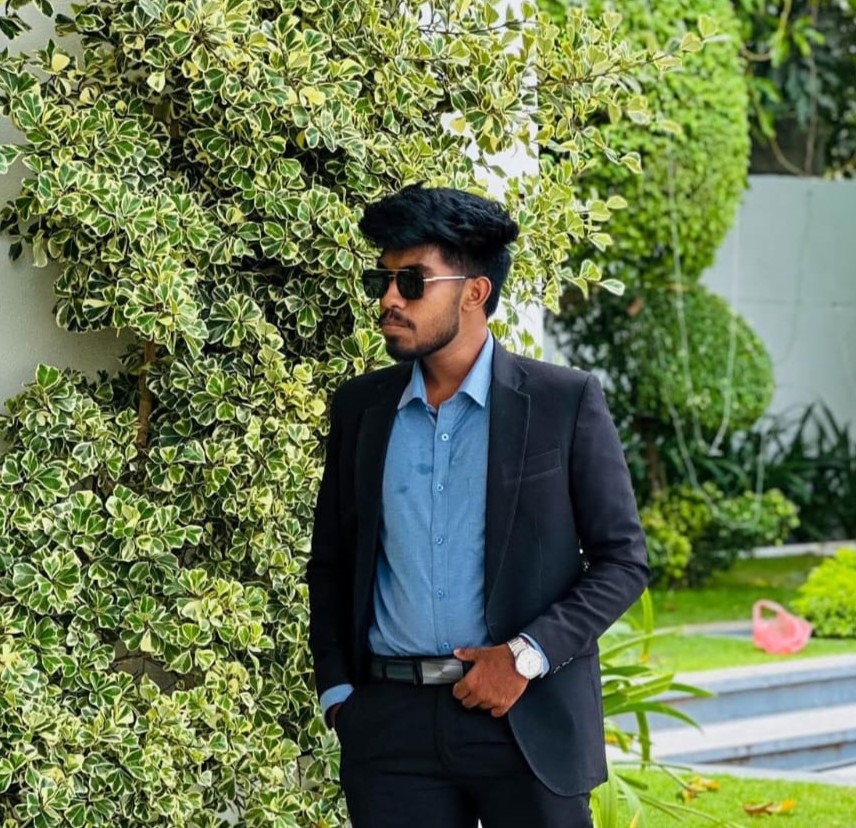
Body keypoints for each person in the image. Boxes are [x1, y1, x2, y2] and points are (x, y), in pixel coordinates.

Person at [306, 185, 648, 828]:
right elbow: (332, 561)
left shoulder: (563, 402)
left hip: (526, 719)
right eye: (382, 281)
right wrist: (340, 693)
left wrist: (524, 655)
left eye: (412, 282)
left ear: (474, 291)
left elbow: (623, 561)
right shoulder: (361, 408)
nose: (388, 300)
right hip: (390, 730)